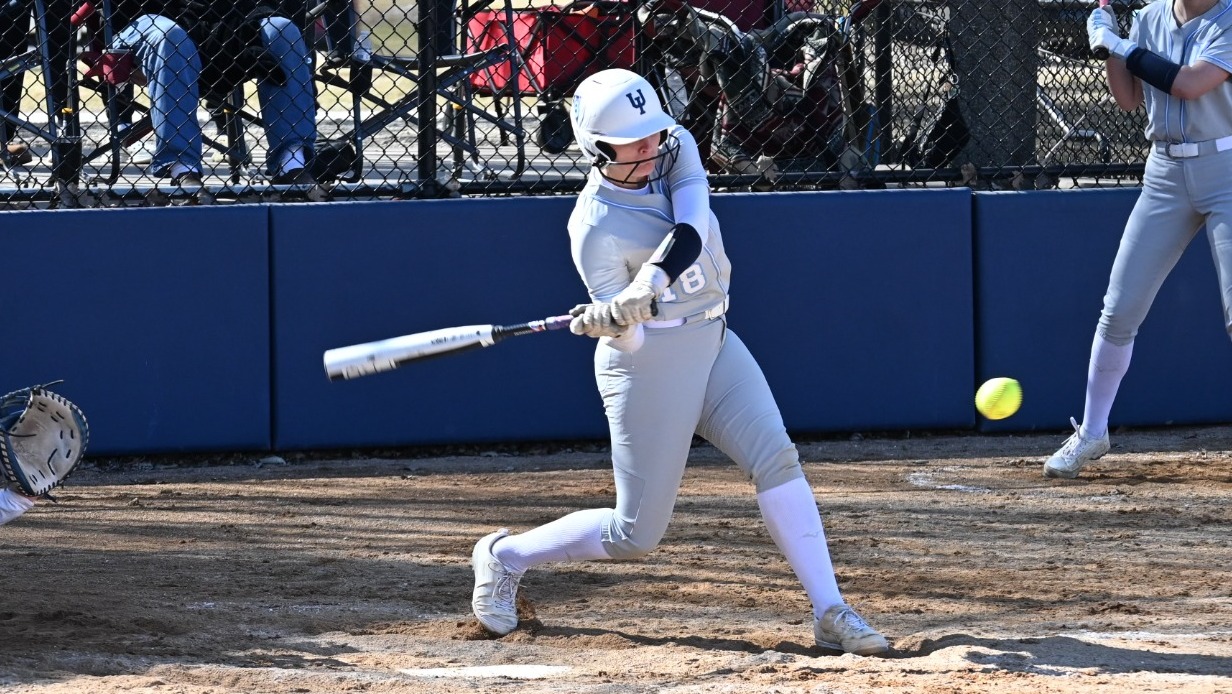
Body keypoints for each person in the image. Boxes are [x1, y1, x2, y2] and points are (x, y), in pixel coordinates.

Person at [468, 68, 890, 657]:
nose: (650, 144)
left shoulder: (675, 147)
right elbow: (630, 347)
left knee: (776, 458)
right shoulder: (594, 229)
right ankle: (504, 556)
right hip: (649, 368)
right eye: (632, 140)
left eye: (651, 132)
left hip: (713, 339)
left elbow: (691, 223)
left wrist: (649, 280)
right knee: (635, 535)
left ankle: (830, 610)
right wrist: (615, 323)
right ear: (597, 149)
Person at [1047, 0, 1232, 479]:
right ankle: (1091, 432)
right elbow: (1128, 99)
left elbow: (1191, 84)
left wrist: (1121, 46)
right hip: (1165, 174)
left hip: (1227, 170)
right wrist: (1108, 43)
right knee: (1120, 307)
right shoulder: (1149, 18)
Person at [101, 0, 318, 185]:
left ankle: (292, 161)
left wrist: (230, 32)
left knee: (282, 29)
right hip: (144, 18)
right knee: (171, 37)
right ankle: (181, 167)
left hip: (223, 18)